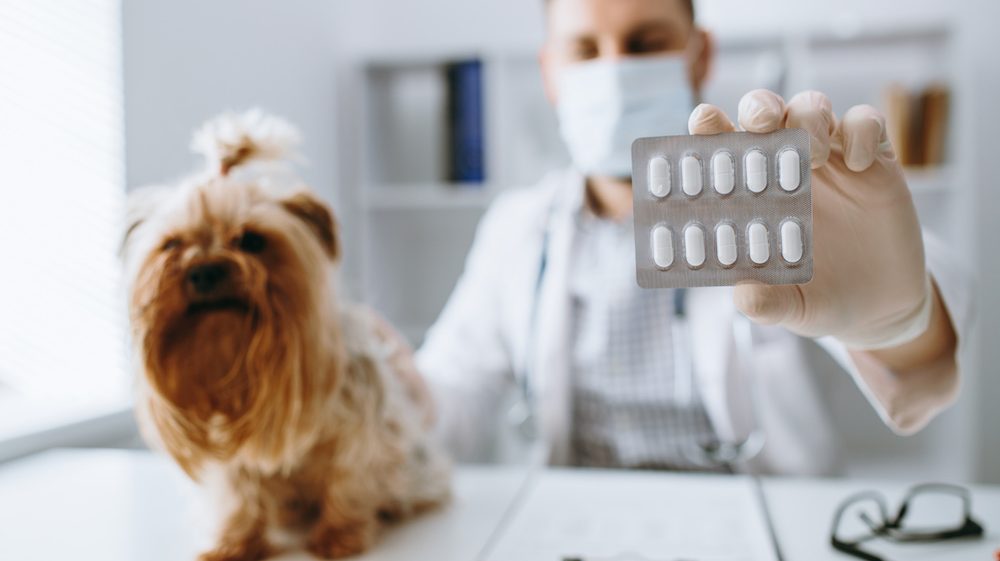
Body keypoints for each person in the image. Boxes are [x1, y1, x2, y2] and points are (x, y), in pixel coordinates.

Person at [404, 0, 970, 474]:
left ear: (701, 55)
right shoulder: (517, 230)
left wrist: (902, 321)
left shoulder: (775, 195)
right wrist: (384, 387)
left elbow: (929, 336)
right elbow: (448, 399)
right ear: (550, 72)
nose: (614, 71)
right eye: (584, 51)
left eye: (646, 44)